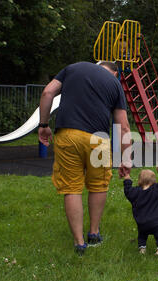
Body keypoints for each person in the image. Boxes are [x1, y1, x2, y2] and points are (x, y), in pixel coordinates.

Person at [38, 61, 131, 255]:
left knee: (72, 187)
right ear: (114, 73)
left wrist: (44, 124)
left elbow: (47, 93)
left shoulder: (73, 68)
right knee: (99, 184)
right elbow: (123, 126)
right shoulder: (114, 84)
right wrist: (126, 158)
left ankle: (79, 243)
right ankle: (94, 233)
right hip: (99, 139)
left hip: (68, 134)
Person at [123, 168, 158, 261]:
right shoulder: (156, 189)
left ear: (139, 180)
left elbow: (127, 191)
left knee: (142, 236)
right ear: (154, 180)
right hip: (156, 222)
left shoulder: (135, 192)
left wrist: (127, 178)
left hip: (142, 222)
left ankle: (142, 249)